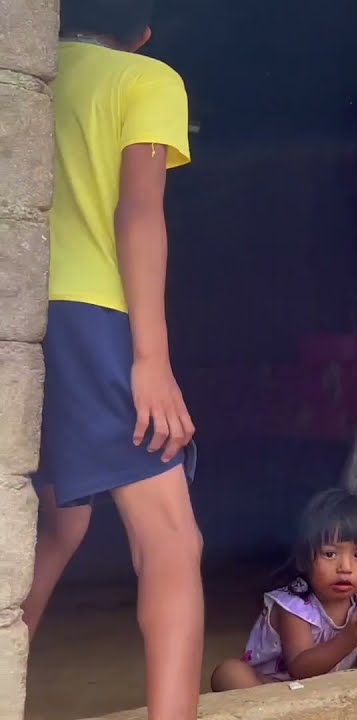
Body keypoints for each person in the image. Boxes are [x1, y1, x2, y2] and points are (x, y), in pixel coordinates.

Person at [23, 0, 203, 718]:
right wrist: (150, 360)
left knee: (57, 521)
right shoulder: (143, 78)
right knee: (171, 538)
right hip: (91, 315)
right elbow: (138, 212)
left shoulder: (30, 76)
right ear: (144, 28)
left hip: (19, 308)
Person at [209, 489, 357, 691]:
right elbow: (300, 668)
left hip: (327, 690)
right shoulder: (295, 606)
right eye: (330, 554)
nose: (345, 568)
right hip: (275, 689)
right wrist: (348, 639)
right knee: (229, 673)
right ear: (303, 560)